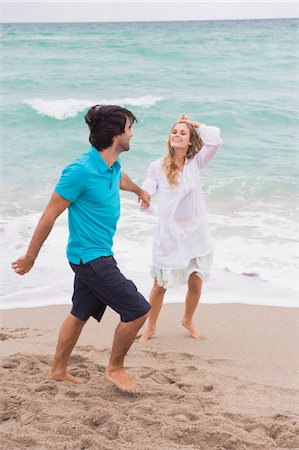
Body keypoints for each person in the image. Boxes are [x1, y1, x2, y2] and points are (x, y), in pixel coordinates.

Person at [11, 105, 151, 393]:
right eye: (128, 128)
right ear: (116, 135)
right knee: (137, 310)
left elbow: (120, 179)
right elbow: (49, 214)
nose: (132, 133)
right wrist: (30, 257)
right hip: (91, 258)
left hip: (95, 254)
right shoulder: (80, 171)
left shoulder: (111, 166)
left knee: (80, 312)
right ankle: (115, 368)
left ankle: (57, 370)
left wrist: (138, 191)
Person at [139, 114, 223, 342]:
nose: (176, 135)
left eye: (182, 133)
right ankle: (151, 326)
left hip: (195, 232)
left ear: (190, 141)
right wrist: (145, 197)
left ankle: (187, 320)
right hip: (170, 234)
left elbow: (215, 140)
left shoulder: (197, 162)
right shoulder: (157, 166)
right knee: (159, 286)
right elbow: (149, 187)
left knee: (195, 283)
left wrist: (194, 124)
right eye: (174, 132)